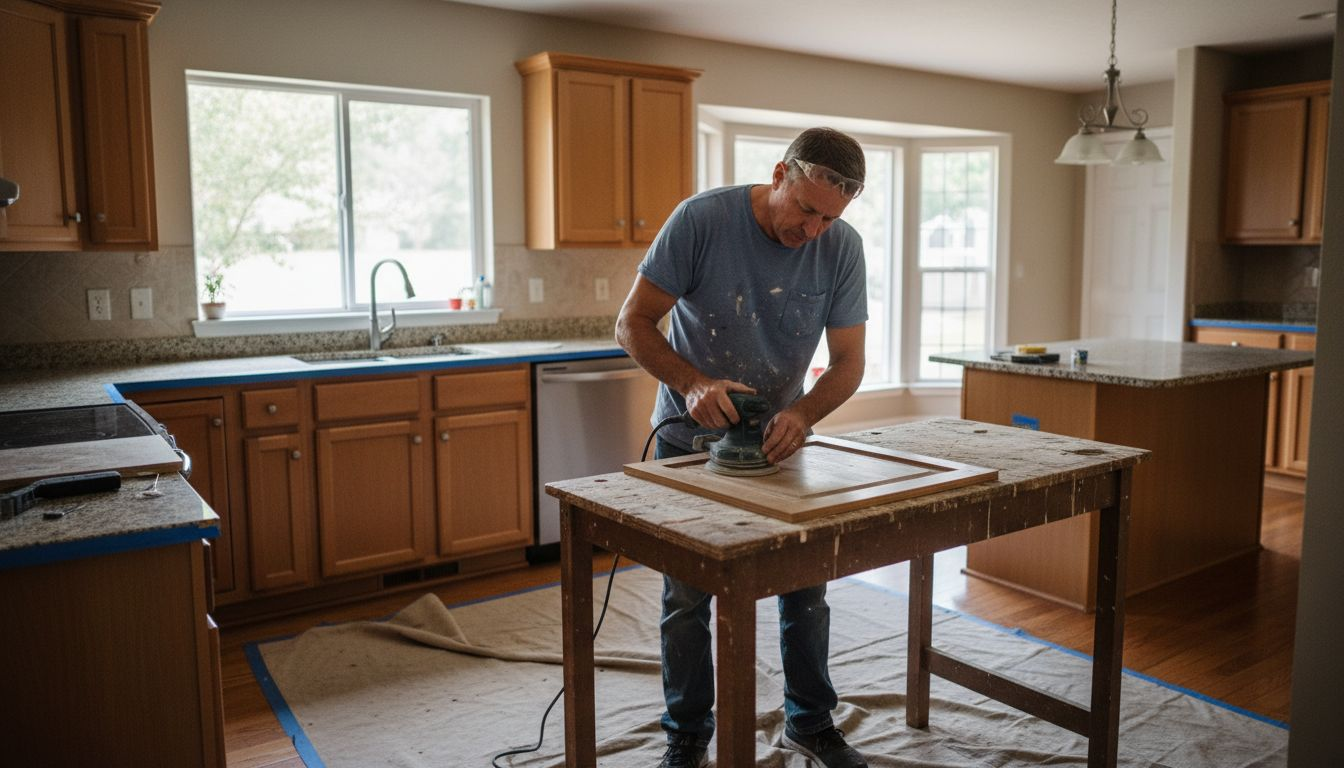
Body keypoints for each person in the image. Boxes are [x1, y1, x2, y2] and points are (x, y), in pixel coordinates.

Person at [615, 127, 870, 768]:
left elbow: (847, 364)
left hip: (781, 442)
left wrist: (805, 415)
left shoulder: (841, 248)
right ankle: (687, 735)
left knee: (805, 589)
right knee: (686, 598)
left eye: (829, 217)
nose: (813, 230)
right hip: (688, 438)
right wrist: (691, 382)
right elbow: (632, 323)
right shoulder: (701, 221)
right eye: (806, 209)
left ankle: (810, 723)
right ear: (779, 173)